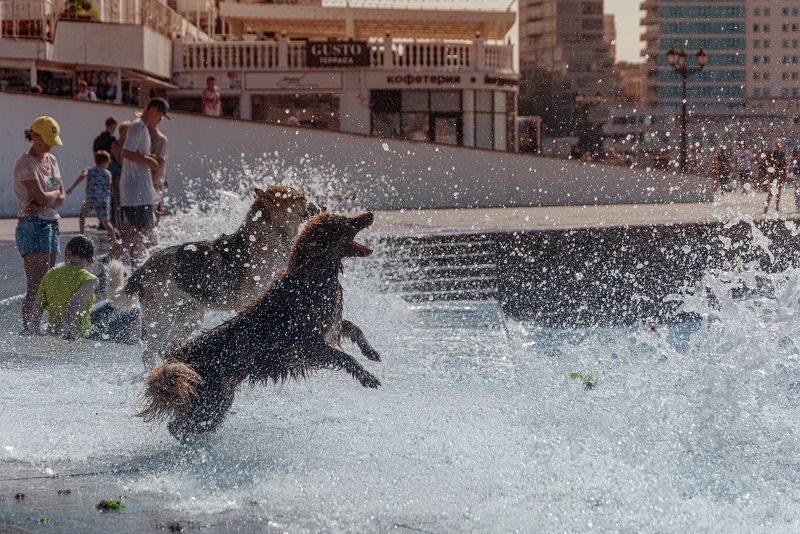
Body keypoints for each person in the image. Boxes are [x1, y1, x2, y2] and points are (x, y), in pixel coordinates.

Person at [14, 116, 65, 335]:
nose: (50, 144)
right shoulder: (26, 163)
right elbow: (45, 198)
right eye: (46, 140)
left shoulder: (52, 161)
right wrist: (51, 197)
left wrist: (49, 197)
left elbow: (59, 198)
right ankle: (29, 329)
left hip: (51, 223)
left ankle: (38, 326)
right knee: (36, 283)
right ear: (34, 136)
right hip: (32, 225)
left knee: (49, 282)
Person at [119, 98, 169, 265]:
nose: (160, 119)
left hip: (143, 191)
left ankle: (138, 267)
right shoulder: (138, 126)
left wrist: (147, 158)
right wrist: (148, 161)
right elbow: (126, 152)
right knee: (143, 232)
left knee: (146, 233)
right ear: (153, 109)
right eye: (160, 115)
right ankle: (114, 257)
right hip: (137, 191)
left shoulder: (143, 129)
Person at [34, 235, 98, 340]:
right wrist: (72, 337)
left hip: (53, 335)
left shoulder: (51, 273)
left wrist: (34, 334)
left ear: (68, 253)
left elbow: (37, 307)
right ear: (90, 260)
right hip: (78, 335)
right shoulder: (90, 279)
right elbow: (70, 310)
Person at [66, 150, 119, 246]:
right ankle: (114, 242)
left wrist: (72, 188)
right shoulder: (108, 173)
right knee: (106, 222)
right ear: (106, 162)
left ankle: (81, 235)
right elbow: (109, 187)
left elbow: (82, 175)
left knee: (82, 214)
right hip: (103, 200)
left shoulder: (90, 169)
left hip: (91, 199)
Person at [109, 120, 130, 231]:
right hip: (118, 177)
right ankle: (118, 227)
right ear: (122, 132)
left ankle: (124, 226)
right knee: (117, 203)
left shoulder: (128, 145)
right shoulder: (116, 145)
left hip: (127, 178)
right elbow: (122, 162)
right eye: (128, 131)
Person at [149, 122, 169, 222]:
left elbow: (159, 163)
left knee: (152, 213)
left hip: (154, 182)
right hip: (147, 182)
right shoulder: (143, 137)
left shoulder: (160, 139)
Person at [764, 138, 788, 213]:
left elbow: (784, 165)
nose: (778, 145)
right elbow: (769, 164)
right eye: (777, 144)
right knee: (771, 192)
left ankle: (777, 207)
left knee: (779, 192)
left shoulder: (782, 153)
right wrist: (769, 175)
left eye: (779, 144)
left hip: (780, 174)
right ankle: (766, 207)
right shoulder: (772, 153)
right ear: (775, 145)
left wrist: (785, 174)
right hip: (774, 174)